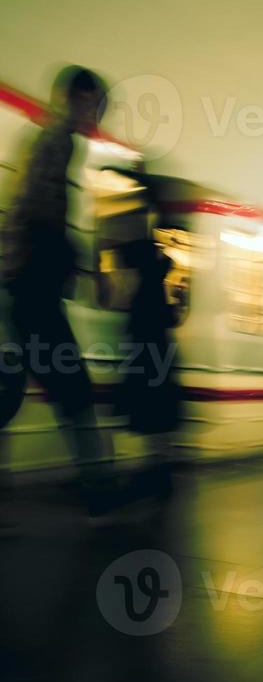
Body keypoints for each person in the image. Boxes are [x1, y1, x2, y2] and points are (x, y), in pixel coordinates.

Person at [0, 65, 112, 515]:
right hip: (32, 288)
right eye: (96, 105)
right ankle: (98, 489)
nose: (98, 117)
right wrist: (87, 268)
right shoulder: (58, 140)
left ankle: (93, 485)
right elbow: (38, 211)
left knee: (9, 392)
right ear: (77, 98)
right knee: (75, 391)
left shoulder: (45, 139)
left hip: (19, 285)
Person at [115, 237, 179, 500]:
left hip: (149, 361)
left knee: (150, 417)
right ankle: (159, 472)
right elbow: (168, 319)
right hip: (159, 358)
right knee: (158, 419)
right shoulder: (156, 283)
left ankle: (156, 472)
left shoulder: (145, 286)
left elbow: (139, 324)